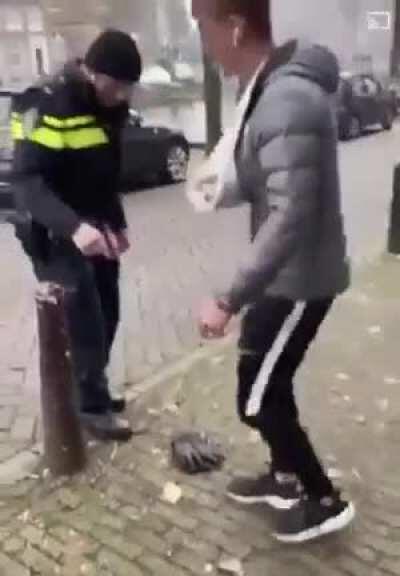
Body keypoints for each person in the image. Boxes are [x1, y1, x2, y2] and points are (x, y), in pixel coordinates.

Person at [191, 0, 355, 543]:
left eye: (204, 27)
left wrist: (228, 298)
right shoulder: (266, 90)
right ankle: (284, 478)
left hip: (302, 279)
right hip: (282, 274)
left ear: (234, 27)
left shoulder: (285, 97)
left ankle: (325, 498)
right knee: (257, 376)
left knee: (259, 397)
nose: (205, 45)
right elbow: (272, 179)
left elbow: (290, 215)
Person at [11, 29, 142, 442]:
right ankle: (90, 405)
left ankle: (92, 385)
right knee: (83, 315)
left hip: (92, 223)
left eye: (127, 88)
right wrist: (74, 228)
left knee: (109, 310)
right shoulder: (50, 105)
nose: (120, 95)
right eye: (114, 85)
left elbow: (102, 177)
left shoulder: (109, 110)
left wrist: (115, 224)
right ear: (91, 72)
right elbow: (28, 183)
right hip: (50, 228)